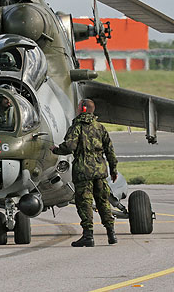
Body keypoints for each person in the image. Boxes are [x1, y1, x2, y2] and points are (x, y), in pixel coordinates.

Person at [50, 99, 118, 247]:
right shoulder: (100, 128)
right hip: (100, 172)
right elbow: (110, 151)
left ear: (81, 109)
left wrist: (55, 149)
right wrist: (113, 170)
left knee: (85, 203)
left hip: (83, 172)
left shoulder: (77, 127)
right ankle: (111, 233)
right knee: (103, 202)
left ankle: (88, 235)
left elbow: (69, 147)